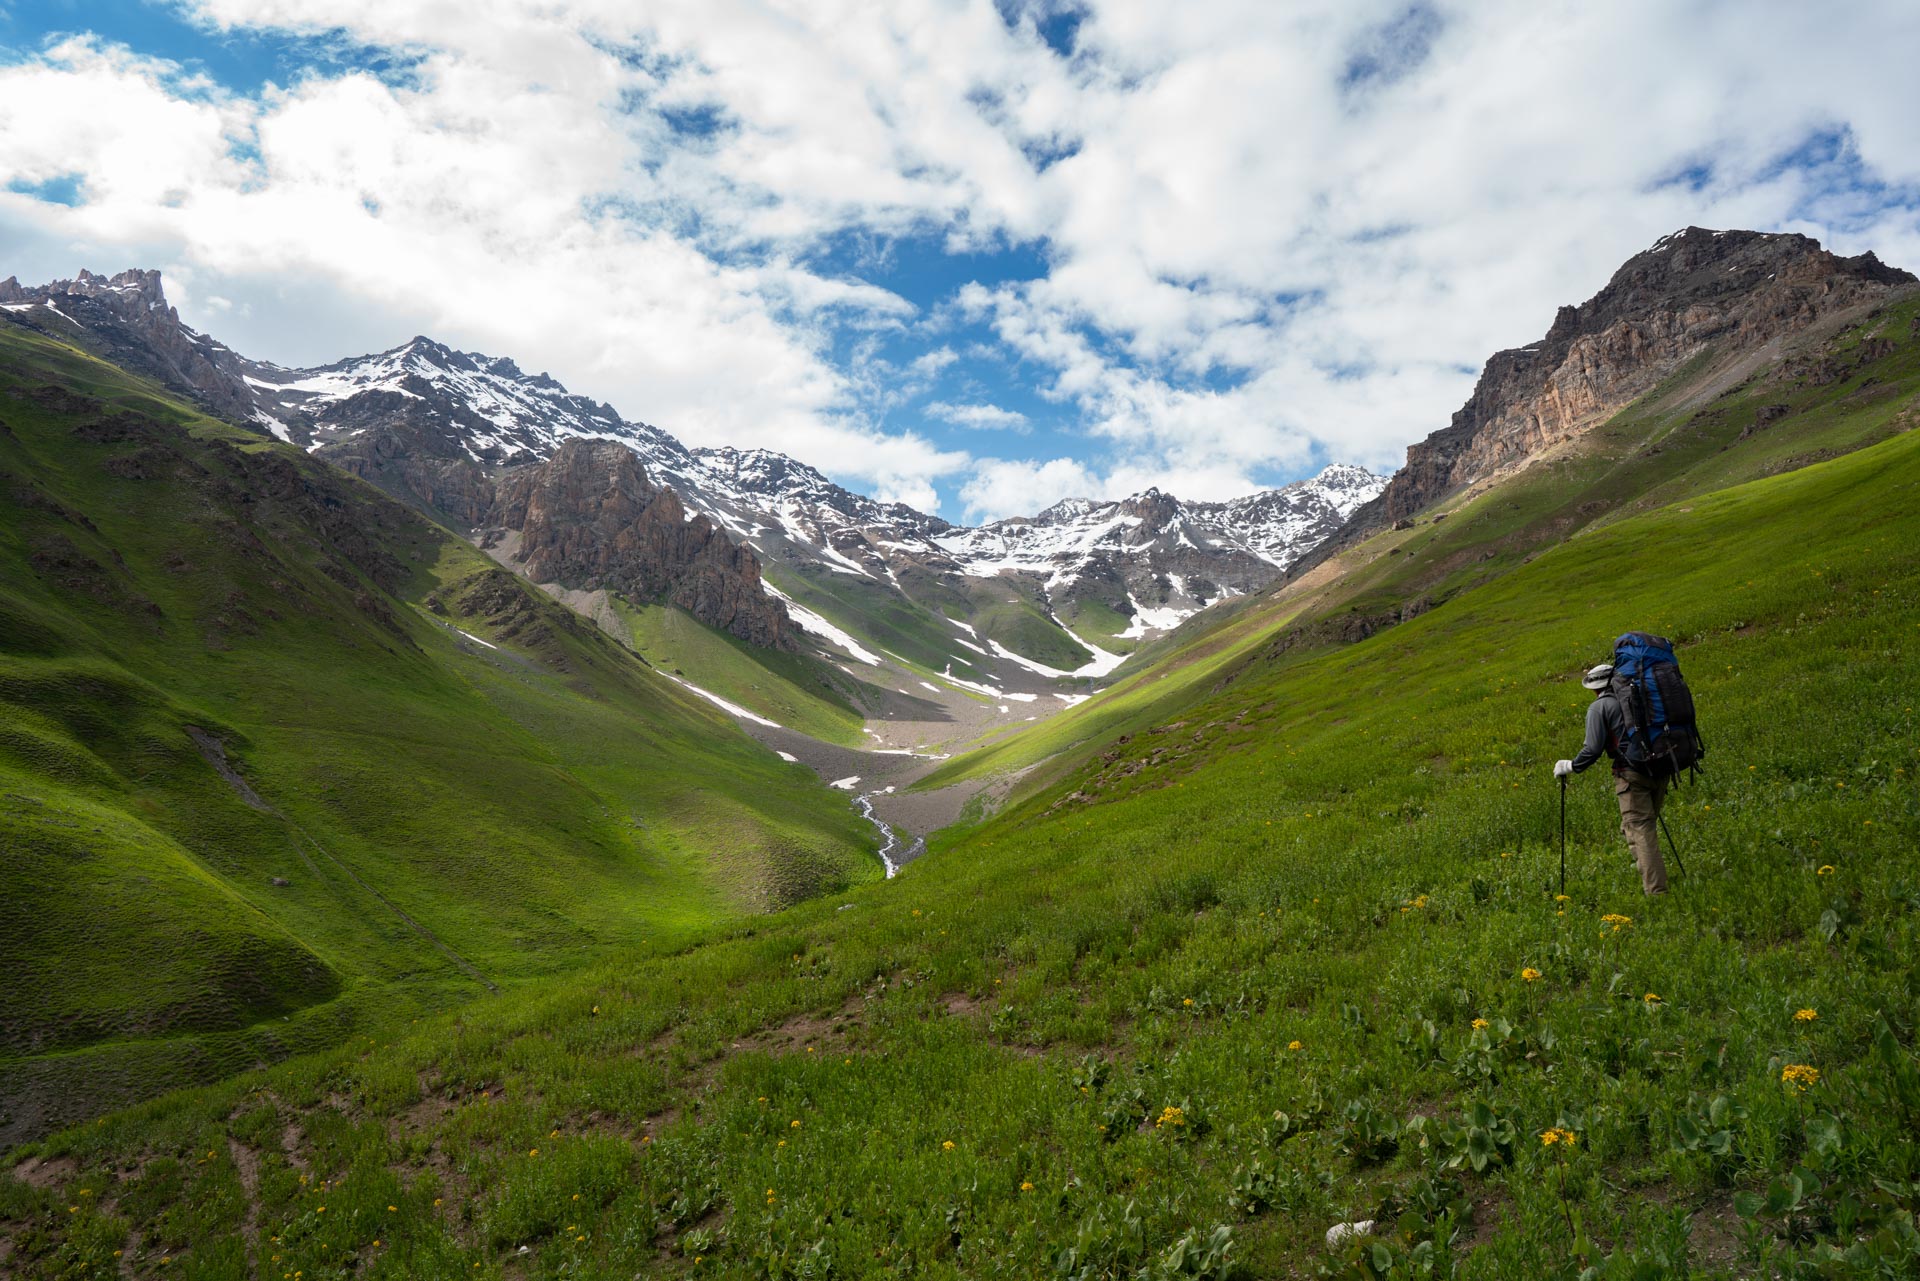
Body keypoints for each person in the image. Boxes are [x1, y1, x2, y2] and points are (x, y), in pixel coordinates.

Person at [1554, 663, 1668, 895]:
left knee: (1640, 829)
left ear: (1595, 688)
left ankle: (1657, 894)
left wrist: (1571, 766)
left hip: (1631, 774)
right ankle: (1650, 876)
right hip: (1661, 767)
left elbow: (1592, 749)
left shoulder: (1600, 706)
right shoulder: (1640, 694)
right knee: (1637, 827)